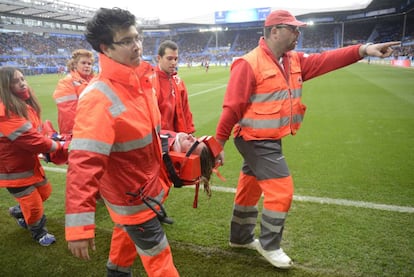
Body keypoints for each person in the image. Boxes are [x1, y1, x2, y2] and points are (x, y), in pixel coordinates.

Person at [215, 9, 400, 269]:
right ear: (275, 31)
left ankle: (241, 238)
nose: (298, 33)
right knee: (281, 191)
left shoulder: (293, 61)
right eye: (293, 29)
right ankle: (270, 245)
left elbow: (327, 59)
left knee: (250, 186)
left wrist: (364, 49)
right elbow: (231, 108)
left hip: (270, 137)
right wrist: (217, 144)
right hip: (255, 140)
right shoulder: (249, 63)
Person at [64, 8, 180, 277]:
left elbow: (146, 134)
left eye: (137, 37)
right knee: (160, 261)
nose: (137, 46)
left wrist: (174, 139)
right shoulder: (98, 97)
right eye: (127, 41)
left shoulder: (141, 80)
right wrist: (79, 228)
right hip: (132, 197)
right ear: (105, 48)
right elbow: (83, 163)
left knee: (125, 234)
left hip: (145, 187)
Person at [0, 66, 64, 246]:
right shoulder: (5, 112)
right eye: (15, 81)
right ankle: (38, 232)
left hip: (28, 163)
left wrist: (51, 137)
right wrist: (59, 146)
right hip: (12, 171)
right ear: (5, 87)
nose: (22, 83)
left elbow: (36, 133)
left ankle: (19, 211)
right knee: (34, 205)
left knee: (45, 192)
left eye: (22, 79)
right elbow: (32, 141)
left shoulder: (25, 106)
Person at [53, 49, 95, 139]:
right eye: (83, 63)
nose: (87, 66)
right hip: (77, 131)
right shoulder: (66, 82)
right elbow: (68, 114)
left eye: (89, 63)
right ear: (75, 64)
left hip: (92, 128)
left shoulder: (94, 80)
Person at [155, 40, 195, 133]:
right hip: (160, 138)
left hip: (178, 138)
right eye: (169, 59)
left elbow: (186, 111)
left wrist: (189, 132)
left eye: (176, 59)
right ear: (159, 58)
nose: (173, 62)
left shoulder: (179, 82)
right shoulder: (150, 81)